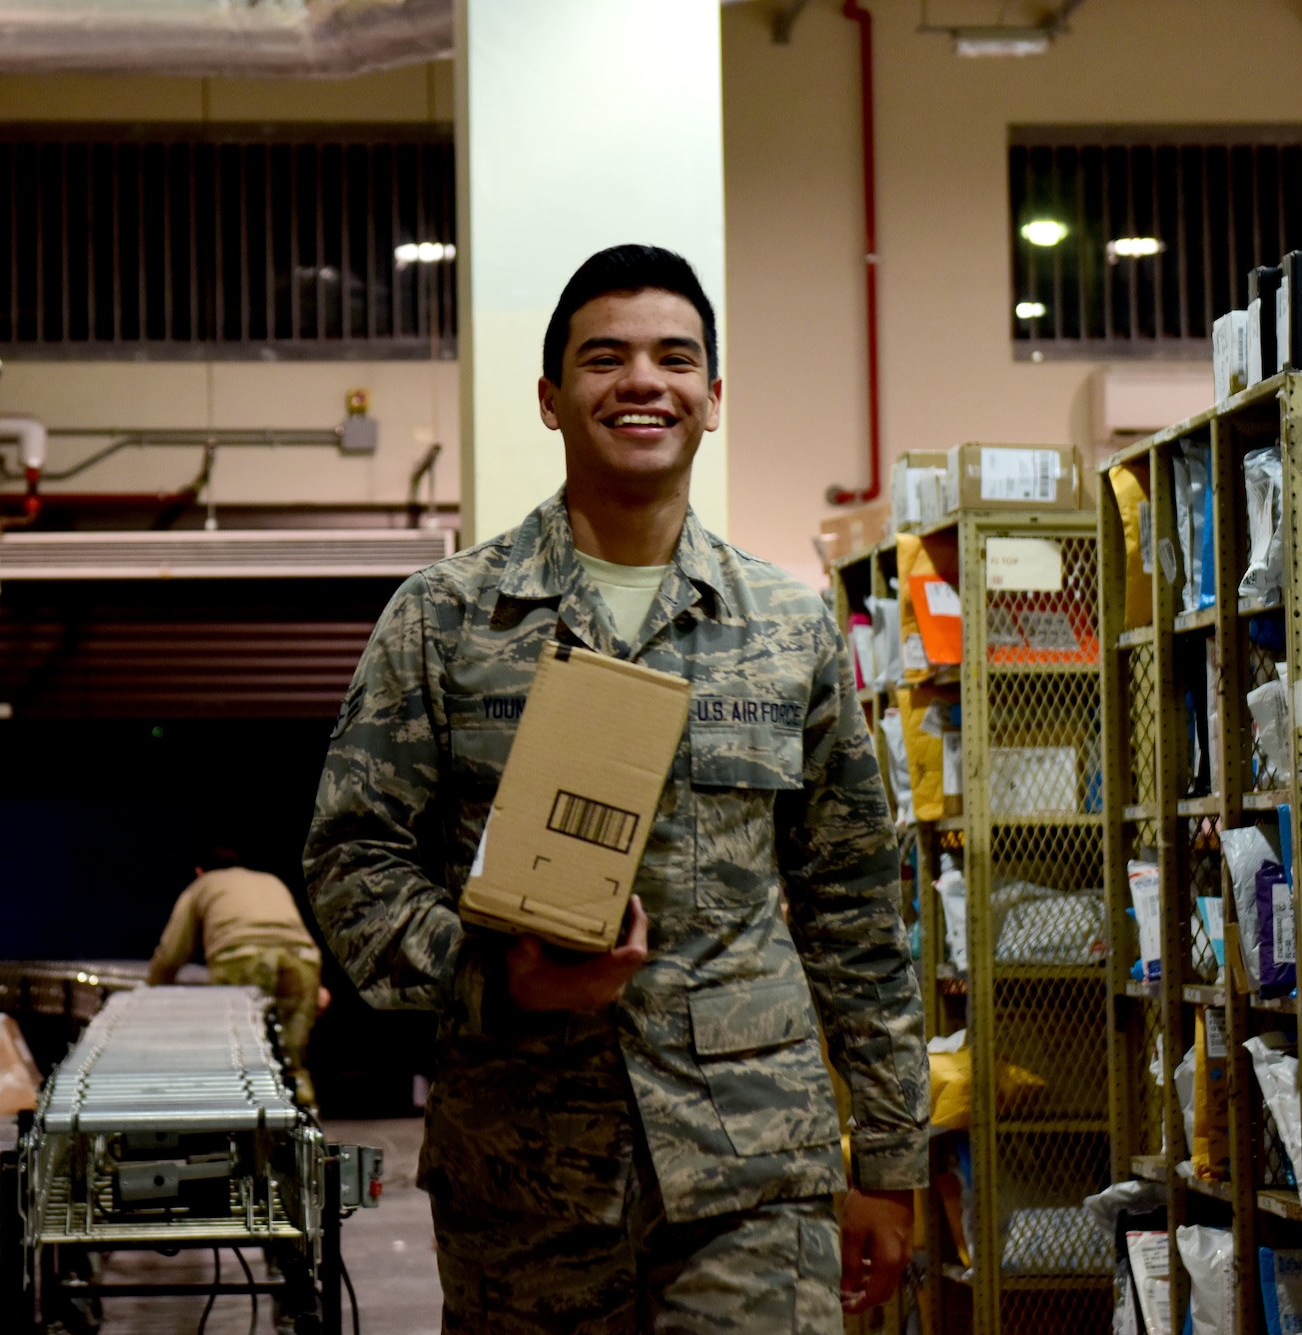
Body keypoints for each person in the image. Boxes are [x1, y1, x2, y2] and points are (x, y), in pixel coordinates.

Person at [304, 245, 929, 1332]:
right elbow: (352, 862)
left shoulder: (786, 630)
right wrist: (494, 979)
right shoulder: (446, 618)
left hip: (752, 1172)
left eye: (673, 357)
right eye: (604, 358)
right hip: (524, 1172)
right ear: (550, 399)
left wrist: (885, 1155)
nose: (642, 381)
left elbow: (855, 907)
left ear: (713, 398)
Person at [148, 848, 325, 1107]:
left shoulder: (202, 886)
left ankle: (250, 1128)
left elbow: (172, 952)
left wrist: (152, 992)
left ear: (199, 871)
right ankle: (308, 1126)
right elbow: (290, 935)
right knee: (292, 1059)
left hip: (242, 960)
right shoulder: (270, 880)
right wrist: (315, 988)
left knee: (242, 1059)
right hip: (302, 962)